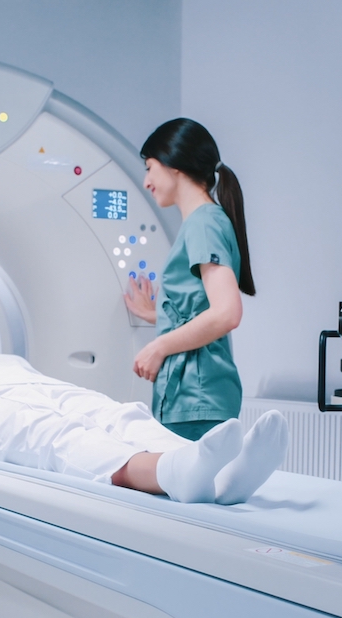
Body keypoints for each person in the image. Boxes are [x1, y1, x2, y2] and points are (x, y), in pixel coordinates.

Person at [0, 350, 288, 505]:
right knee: (59, 436)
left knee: (119, 414)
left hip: (45, 386)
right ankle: (171, 473)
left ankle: (218, 471)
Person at [124, 118, 254, 441]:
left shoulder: (203, 223)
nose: (146, 181)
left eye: (150, 167)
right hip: (195, 397)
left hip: (197, 398)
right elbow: (201, 307)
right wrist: (157, 313)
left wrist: (158, 347)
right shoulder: (205, 221)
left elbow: (227, 313)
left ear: (174, 164)